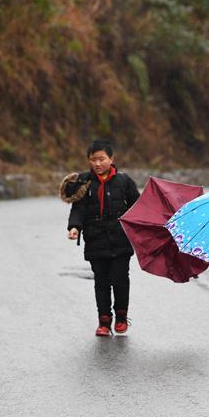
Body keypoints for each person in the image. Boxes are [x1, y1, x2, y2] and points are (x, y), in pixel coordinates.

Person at [65, 140, 140, 337]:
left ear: (111, 159)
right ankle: (104, 321)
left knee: (120, 279)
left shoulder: (124, 182)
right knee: (101, 281)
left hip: (121, 239)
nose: (97, 164)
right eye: (93, 160)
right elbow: (78, 209)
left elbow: (139, 206)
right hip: (95, 239)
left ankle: (121, 316)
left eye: (101, 159)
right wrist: (74, 227)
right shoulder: (84, 182)